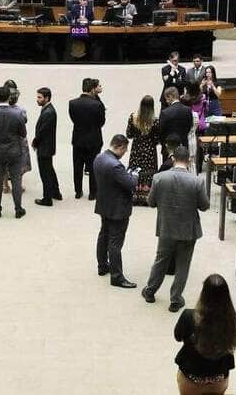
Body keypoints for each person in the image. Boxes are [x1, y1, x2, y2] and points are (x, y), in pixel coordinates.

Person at [142, 146, 210, 312]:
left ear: (173, 158)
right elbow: (204, 206)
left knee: (161, 260)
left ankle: (150, 291)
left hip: (166, 227)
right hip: (188, 230)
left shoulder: (159, 178)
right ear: (190, 160)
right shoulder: (196, 181)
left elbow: (150, 202)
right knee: (183, 265)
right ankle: (175, 299)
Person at [173, 274, 236, 395]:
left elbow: (178, 336)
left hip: (191, 378)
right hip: (219, 378)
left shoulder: (189, 316)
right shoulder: (234, 319)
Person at [93, 134, 139, 288]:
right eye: (124, 150)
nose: (124, 153)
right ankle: (117, 277)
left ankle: (102, 265)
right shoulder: (116, 166)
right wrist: (134, 175)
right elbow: (131, 184)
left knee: (104, 235)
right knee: (115, 242)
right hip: (118, 208)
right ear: (120, 147)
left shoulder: (99, 158)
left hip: (104, 204)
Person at [0, 86, 27, 219]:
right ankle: (18, 209)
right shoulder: (17, 114)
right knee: (16, 180)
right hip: (14, 151)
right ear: (9, 97)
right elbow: (23, 133)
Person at [69, 78, 106, 200]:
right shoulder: (97, 104)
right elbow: (101, 122)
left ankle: (78, 191)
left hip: (78, 139)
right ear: (92, 89)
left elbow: (73, 119)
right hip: (93, 139)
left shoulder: (72, 103)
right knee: (93, 167)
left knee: (77, 166)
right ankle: (92, 193)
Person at [126, 95, 160, 206]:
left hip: (136, 148)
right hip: (149, 149)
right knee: (148, 171)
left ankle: (135, 196)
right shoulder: (154, 121)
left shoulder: (133, 117)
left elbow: (129, 134)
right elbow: (157, 138)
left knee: (136, 170)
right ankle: (147, 197)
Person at [33, 87, 61, 206]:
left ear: (47, 98)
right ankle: (55, 193)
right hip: (47, 146)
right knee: (49, 170)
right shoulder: (48, 109)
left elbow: (43, 131)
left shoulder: (48, 112)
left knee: (45, 173)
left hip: (45, 147)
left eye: (40, 97)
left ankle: (47, 198)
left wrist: (35, 142)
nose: (37, 99)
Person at [8, 88, 31, 191]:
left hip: (6, 139)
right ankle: (18, 186)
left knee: (5, 163)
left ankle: (5, 185)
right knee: (19, 163)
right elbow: (24, 122)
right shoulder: (21, 111)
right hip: (18, 140)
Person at [160, 87, 193, 158]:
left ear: (171, 96)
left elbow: (161, 131)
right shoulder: (187, 110)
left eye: (167, 99)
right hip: (183, 146)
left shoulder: (165, 112)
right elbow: (190, 126)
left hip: (169, 148)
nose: (166, 101)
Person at [182, 81, 207, 172]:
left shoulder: (186, 99)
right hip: (200, 123)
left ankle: (188, 164)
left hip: (191, 122)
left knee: (191, 144)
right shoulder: (202, 97)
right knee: (200, 145)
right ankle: (199, 166)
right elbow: (206, 109)